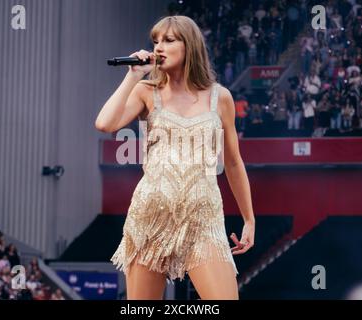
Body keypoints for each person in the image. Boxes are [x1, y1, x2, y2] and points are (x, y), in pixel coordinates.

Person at [95, 15, 255, 300]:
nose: (158, 47)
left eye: (168, 40)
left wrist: (249, 220)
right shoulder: (146, 91)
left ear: (189, 46)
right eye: (155, 41)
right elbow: (105, 124)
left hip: (204, 220)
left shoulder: (221, 98)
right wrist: (133, 75)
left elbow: (232, 161)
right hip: (151, 217)